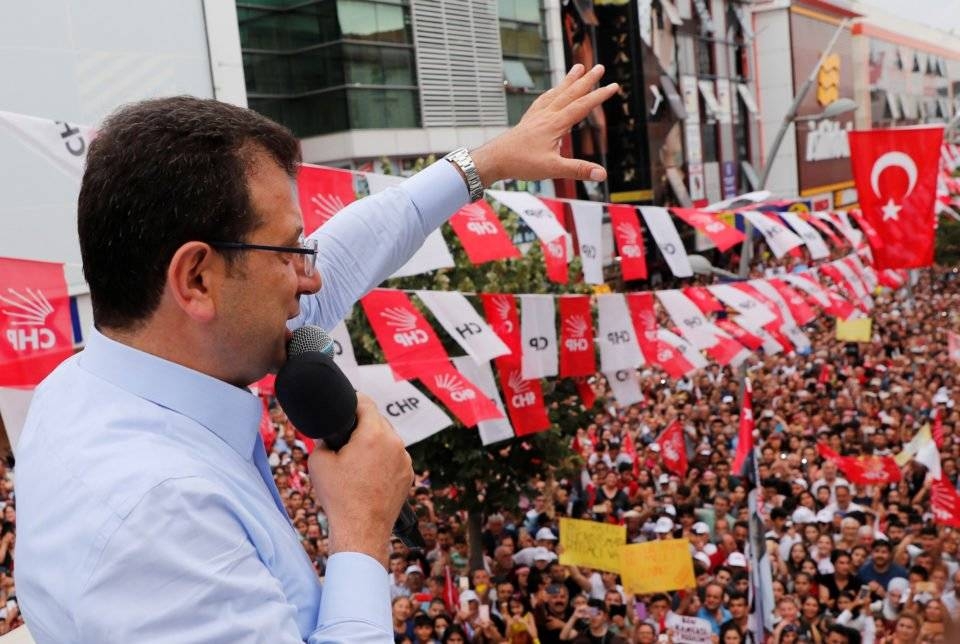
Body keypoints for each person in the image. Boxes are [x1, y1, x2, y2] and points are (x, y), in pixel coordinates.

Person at [14, 64, 618, 642]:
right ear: (197, 280)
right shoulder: (158, 515)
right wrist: (360, 531)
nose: (312, 278)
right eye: (288, 251)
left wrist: (487, 160)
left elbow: (357, 245)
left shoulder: (79, 386)